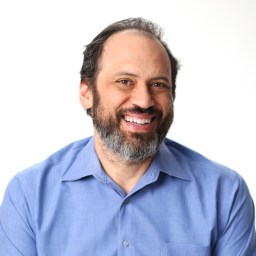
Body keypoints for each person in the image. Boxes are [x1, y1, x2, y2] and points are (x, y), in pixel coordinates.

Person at [0, 17, 255, 256]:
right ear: (87, 93)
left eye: (158, 84)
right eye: (125, 81)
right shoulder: (28, 195)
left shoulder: (225, 193)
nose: (144, 101)